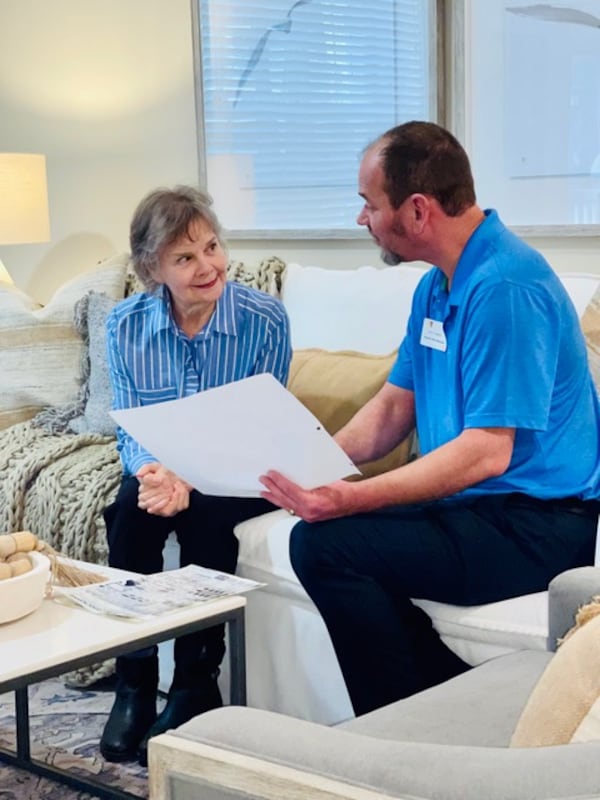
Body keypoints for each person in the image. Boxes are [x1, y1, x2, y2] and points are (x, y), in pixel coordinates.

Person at [259, 121, 600, 717]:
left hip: (537, 526)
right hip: (478, 507)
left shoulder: (506, 287)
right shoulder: (438, 286)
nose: (361, 219)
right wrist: (312, 465)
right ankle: (441, 705)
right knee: (315, 534)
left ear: (417, 211)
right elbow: (393, 406)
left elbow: (486, 452)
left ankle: (411, 719)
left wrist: (349, 499)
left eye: (369, 204)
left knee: (327, 547)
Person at [100, 185, 291, 765]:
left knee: (209, 520)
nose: (208, 266)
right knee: (127, 517)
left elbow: (266, 421)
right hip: (164, 468)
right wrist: (154, 472)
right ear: (151, 268)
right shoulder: (124, 326)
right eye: (185, 258)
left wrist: (195, 477)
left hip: (238, 468)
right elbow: (131, 424)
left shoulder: (264, 319)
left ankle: (194, 683)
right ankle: (133, 680)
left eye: (212, 247)